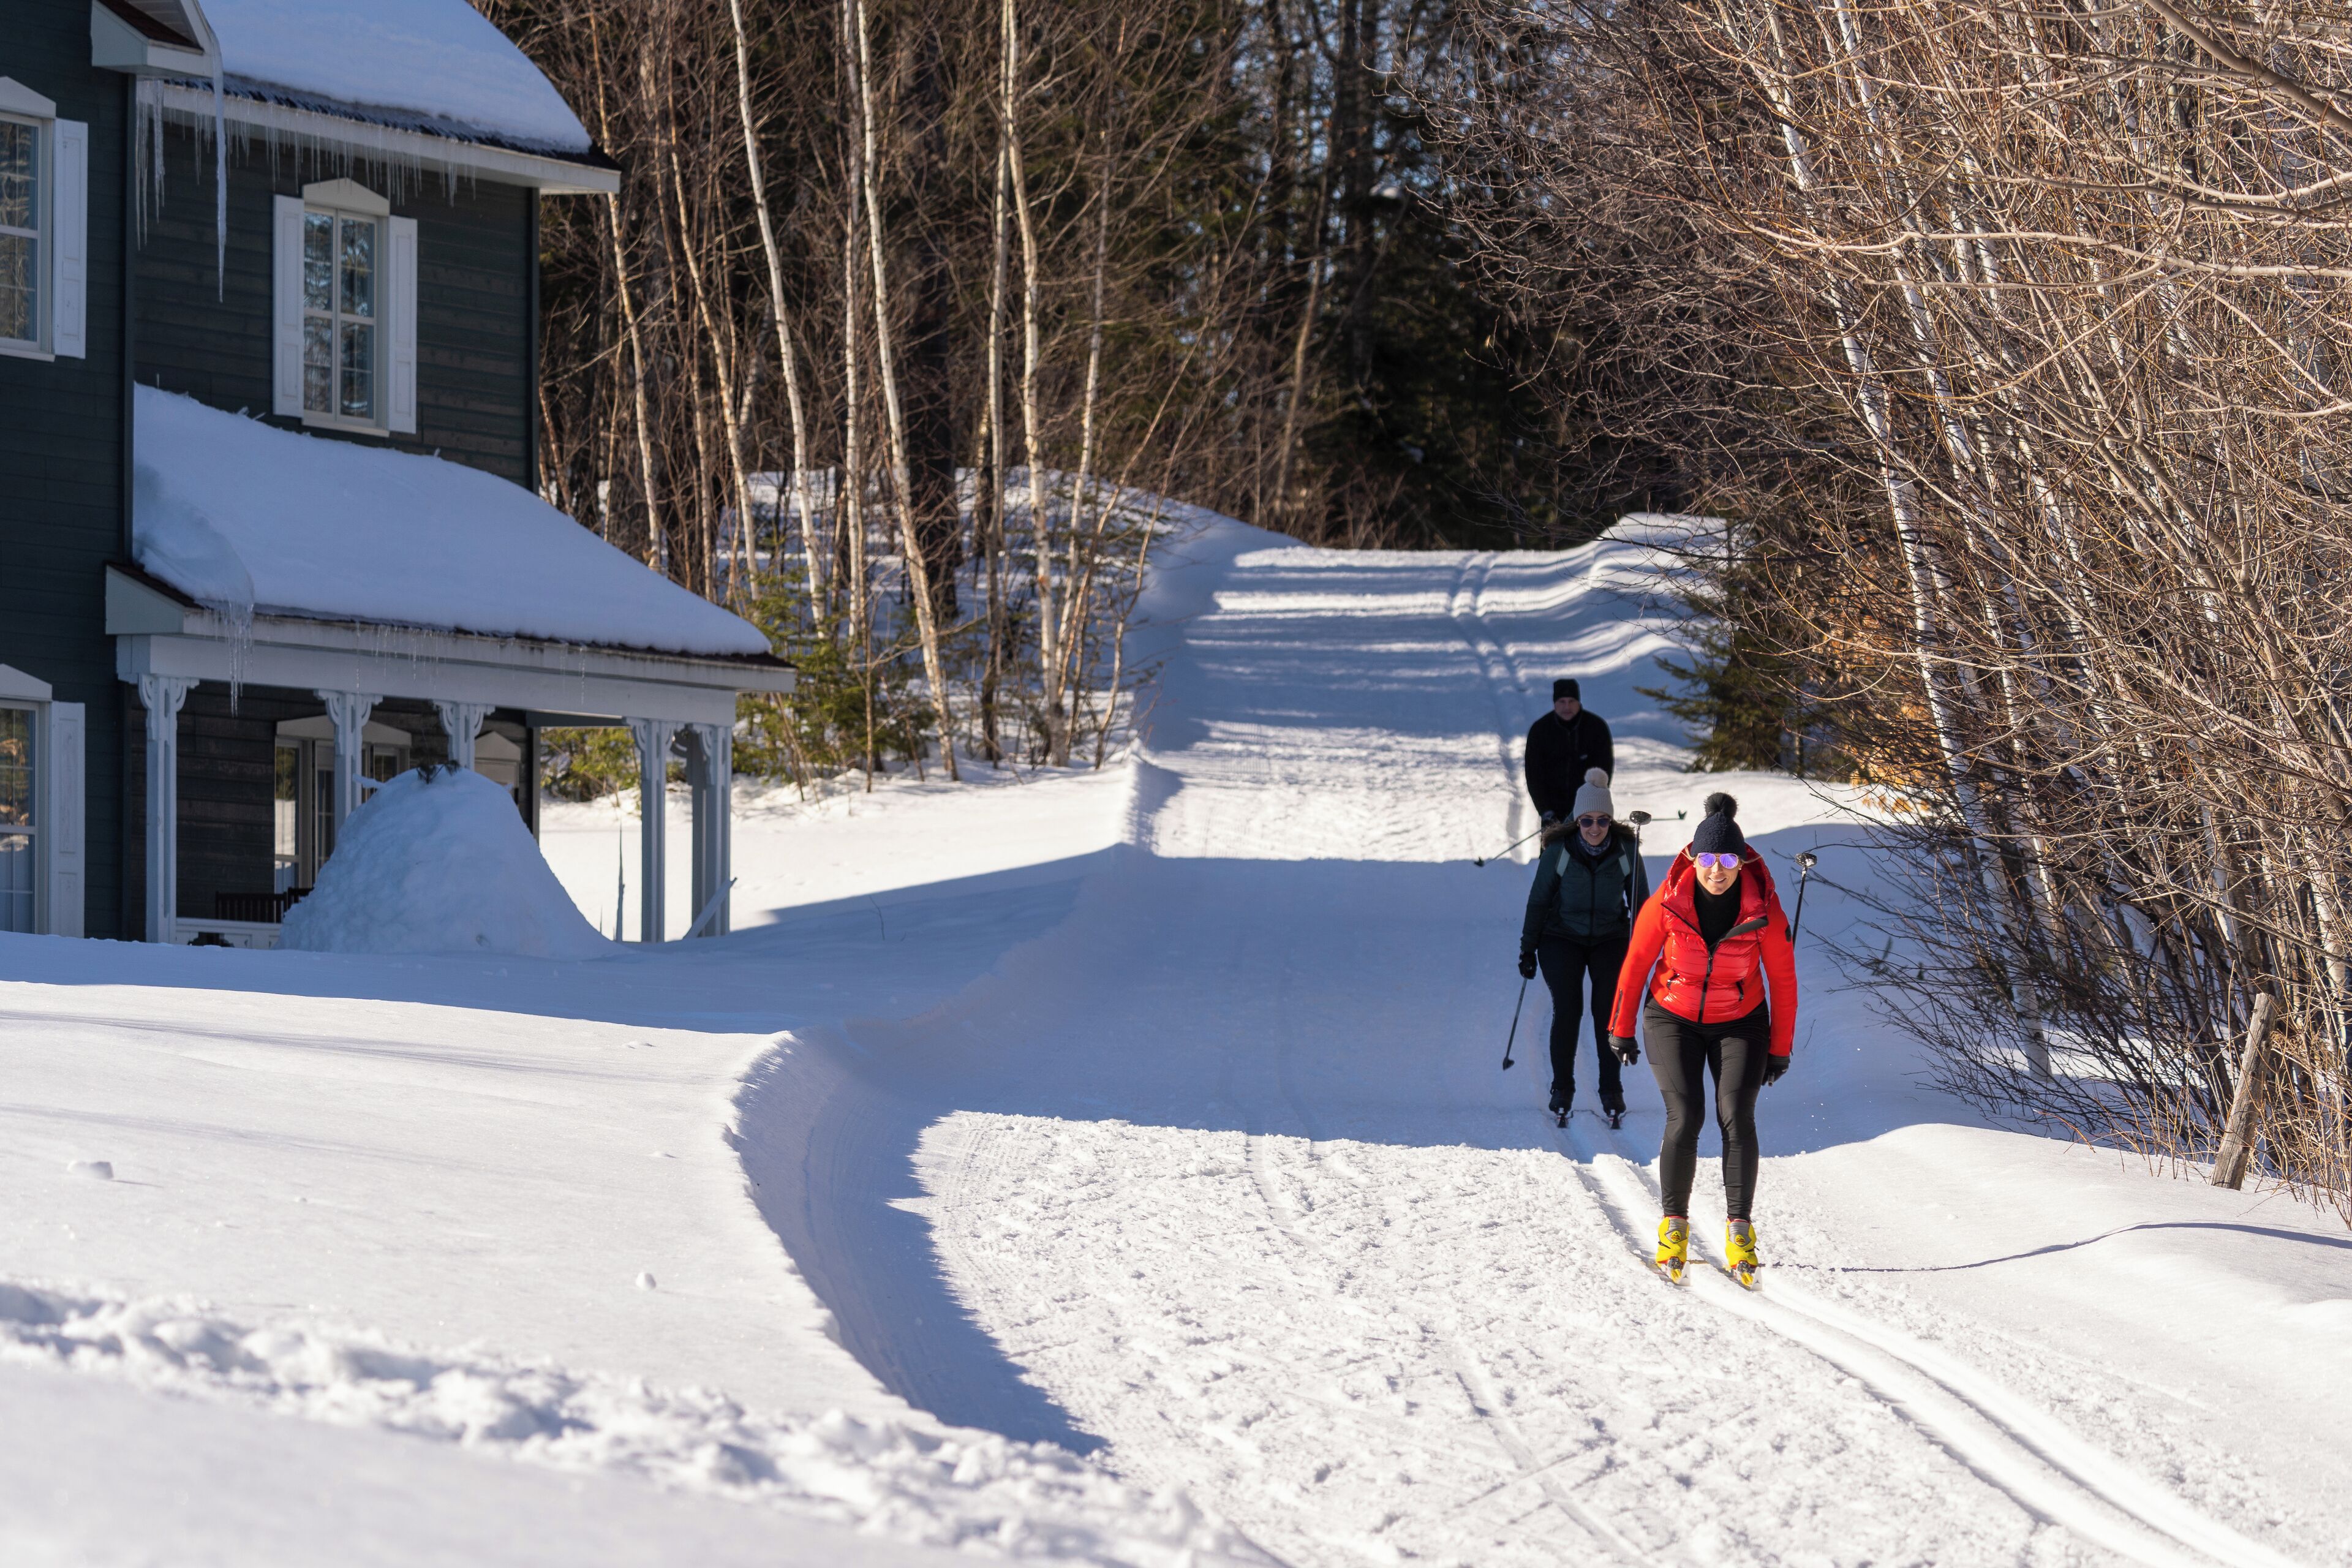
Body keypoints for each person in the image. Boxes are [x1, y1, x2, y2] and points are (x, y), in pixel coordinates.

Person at [1604, 793, 1795, 1287]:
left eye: (1727, 859)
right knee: (1686, 1115)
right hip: (1673, 1018)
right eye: (1708, 859)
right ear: (1693, 857)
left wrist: (1780, 1046)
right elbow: (1636, 964)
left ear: (1741, 860)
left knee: (1736, 1112)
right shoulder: (1665, 902)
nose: (1717, 870)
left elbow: (1783, 979)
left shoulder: (1764, 910)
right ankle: (1674, 1229)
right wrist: (1620, 1028)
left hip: (1741, 1018)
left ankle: (1740, 1231)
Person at [1518, 768, 1650, 1127]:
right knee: (1569, 1010)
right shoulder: (1559, 852)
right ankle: (1562, 1089)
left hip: (1610, 938)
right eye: (1588, 820)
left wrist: (1646, 950)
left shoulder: (1626, 852)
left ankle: (1611, 1090)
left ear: (1611, 821)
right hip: (1561, 937)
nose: (1595, 828)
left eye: (1603, 820)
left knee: (1608, 1015)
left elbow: (1642, 906)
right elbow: (1538, 901)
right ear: (1578, 821)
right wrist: (1528, 949)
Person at [1524, 679, 1614, 825]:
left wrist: (1592, 808)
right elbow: (1534, 774)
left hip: (1588, 813)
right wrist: (1546, 811)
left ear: (1579, 701)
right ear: (1555, 703)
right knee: (1555, 848)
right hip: (1553, 813)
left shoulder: (1596, 728)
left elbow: (1604, 771)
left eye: (1572, 701)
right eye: (1562, 701)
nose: (1567, 707)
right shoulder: (1540, 730)